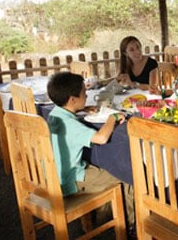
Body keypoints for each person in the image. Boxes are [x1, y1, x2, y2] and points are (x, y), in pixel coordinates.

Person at [47, 72, 135, 230]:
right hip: (71, 179)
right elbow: (101, 138)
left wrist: (82, 109)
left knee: (106, 168)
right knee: (126, 176)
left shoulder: (55, 114)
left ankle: (102, 216)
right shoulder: (70, 125)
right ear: (73, 100)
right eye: (84, 93)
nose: (86, 95)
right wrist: (112, 118)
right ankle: (130, 226)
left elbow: (70, 118)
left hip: (54, 174)